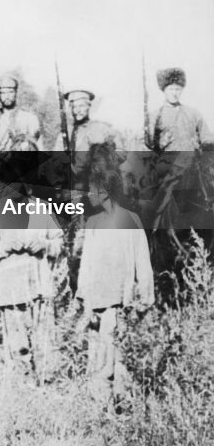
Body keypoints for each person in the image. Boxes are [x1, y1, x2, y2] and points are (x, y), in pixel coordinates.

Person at [76, 145, 154, 401]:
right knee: (98, 352)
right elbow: (86, 266)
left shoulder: (131, 221)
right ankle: (99, 404)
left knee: (120, 353)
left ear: (105, 191)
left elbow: (143, 263)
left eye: (91, 189)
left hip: (122, 302)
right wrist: (84, 300)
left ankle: (124, 403)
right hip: (97, 302)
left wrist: (144, 296)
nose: (87, 194)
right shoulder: (93, 223)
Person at [0, 212, 62, 374]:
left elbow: (59, 243)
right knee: (18, 347)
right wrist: (6, 245)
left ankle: (49, 385)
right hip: (11, 290)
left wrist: (43, 245)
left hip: (40, 287)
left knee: (45, 344)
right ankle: (24, 387)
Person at [149, 67, 214, 228]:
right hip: (167, 169)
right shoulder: (155, 116)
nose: (175, 93)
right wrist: (160, 144)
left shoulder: (193, 113)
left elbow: (207, 139)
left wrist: (204, 147)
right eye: (171, 89)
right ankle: (152, 234)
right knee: (156, 204)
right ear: (164, 90)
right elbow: (148, 146)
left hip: (194, 166)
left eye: (178, 89)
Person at [0, 75, 42, 151]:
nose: (7, 96)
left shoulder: (29, 118)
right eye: (3, 93)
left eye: (10, 92)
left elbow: (39, 148)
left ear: (16, 93)